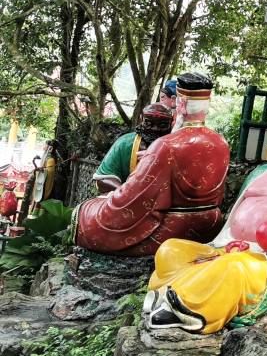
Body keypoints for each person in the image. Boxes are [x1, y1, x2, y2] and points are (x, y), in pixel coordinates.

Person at [144, 122, 267, 334]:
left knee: (233, 268)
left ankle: (186, 308)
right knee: (170, 250)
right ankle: (169, 293)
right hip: (224, 246)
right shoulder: (260, 173)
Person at [73, 73, 229, 256]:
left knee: (83, 213)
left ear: (180, 104)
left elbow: (135, 199)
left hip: (172, 231)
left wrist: (107, 200)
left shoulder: (166, 145)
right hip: (211, 225)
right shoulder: (221, 142)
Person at [92, 103, 173, 194]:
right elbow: (103, 179)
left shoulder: (178, 146)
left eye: (162, 125)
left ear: (171, 124)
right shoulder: (125, 143)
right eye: (149, 123)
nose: (155, 129)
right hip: (127, 199)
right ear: (141, 120)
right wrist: (126, 193)